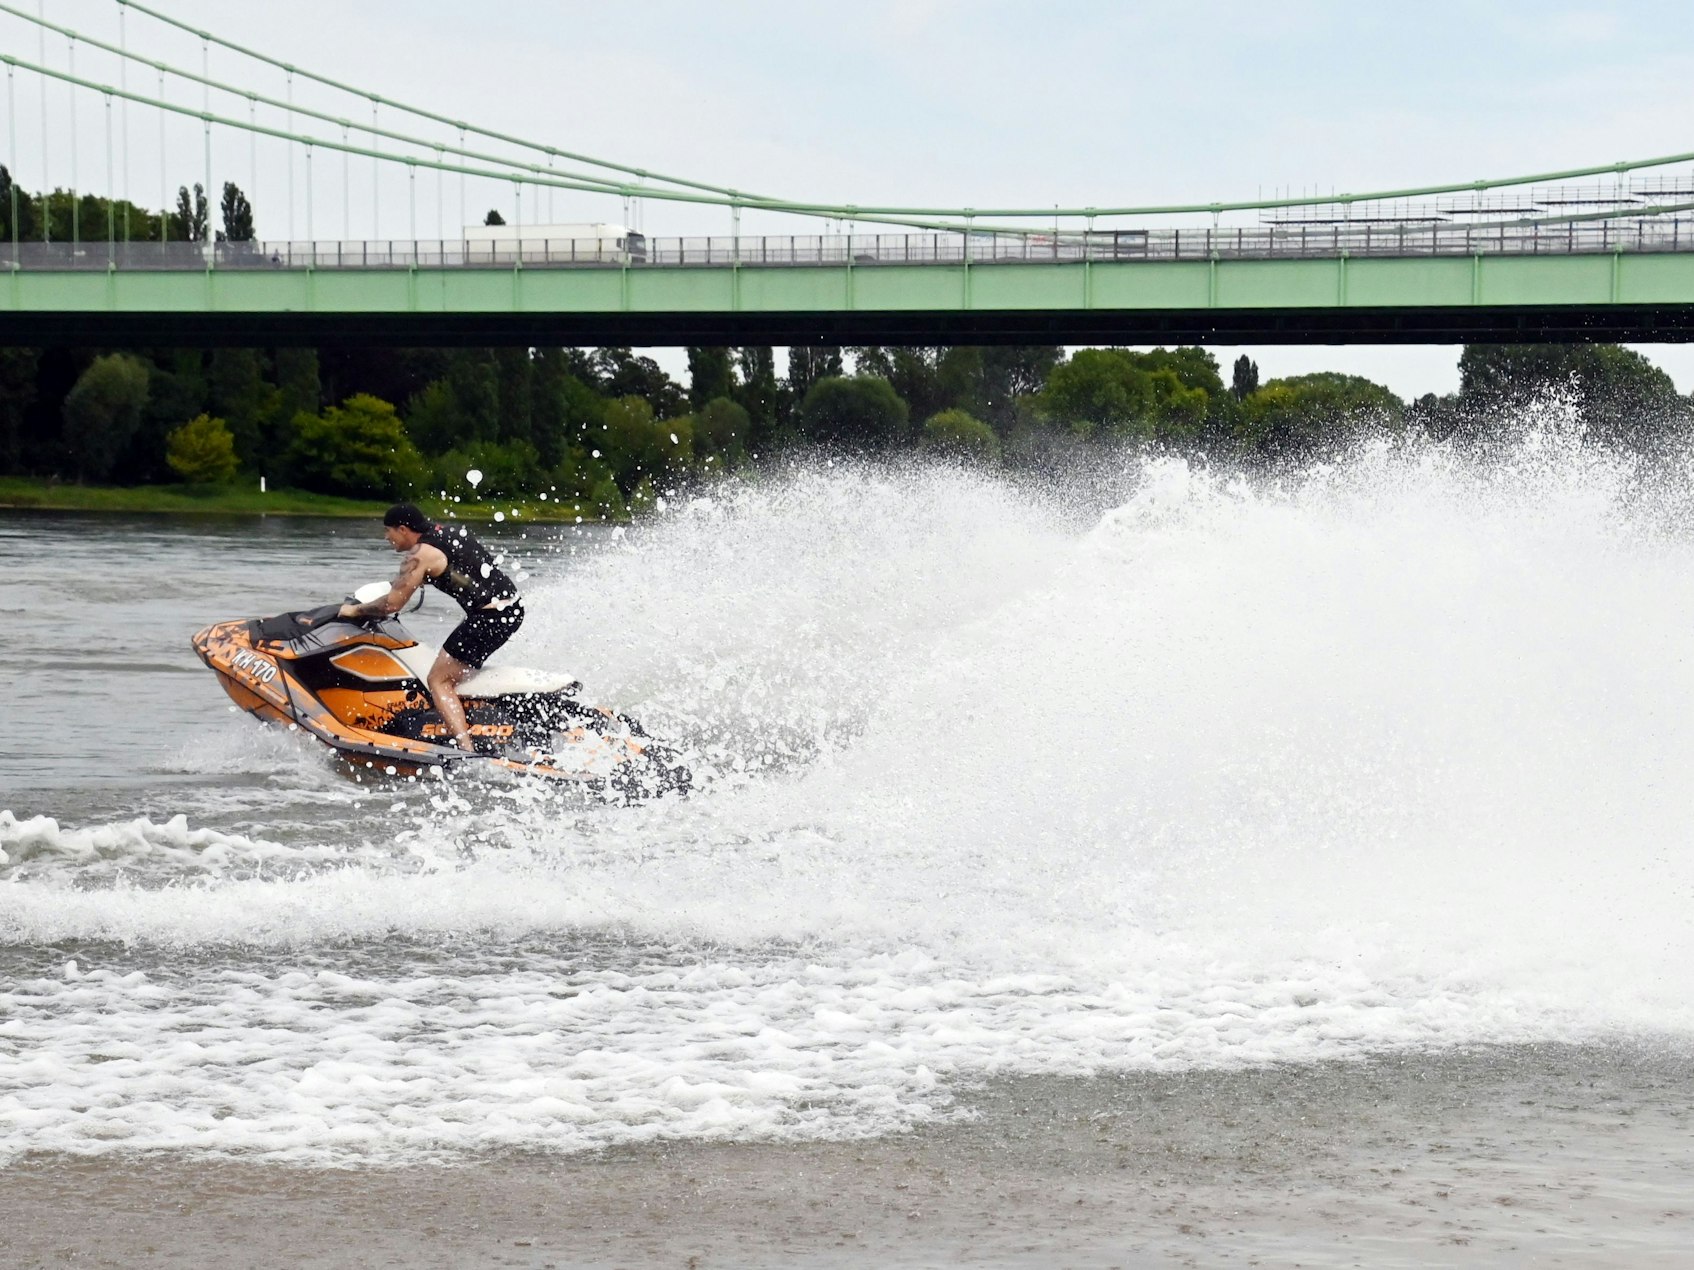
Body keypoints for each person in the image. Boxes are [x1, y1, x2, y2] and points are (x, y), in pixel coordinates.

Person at [339, 503, 524, 754]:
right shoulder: (447, 533)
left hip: (487, 618)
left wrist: (355, 610)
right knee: (454, 668)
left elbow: (392, 604)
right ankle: (475, 717)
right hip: (510, 609)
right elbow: (467, 570)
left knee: (438, 680)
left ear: (403, 529)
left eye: (388, 531)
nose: (386, 538)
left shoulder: (419, 555)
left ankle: (466, 750)